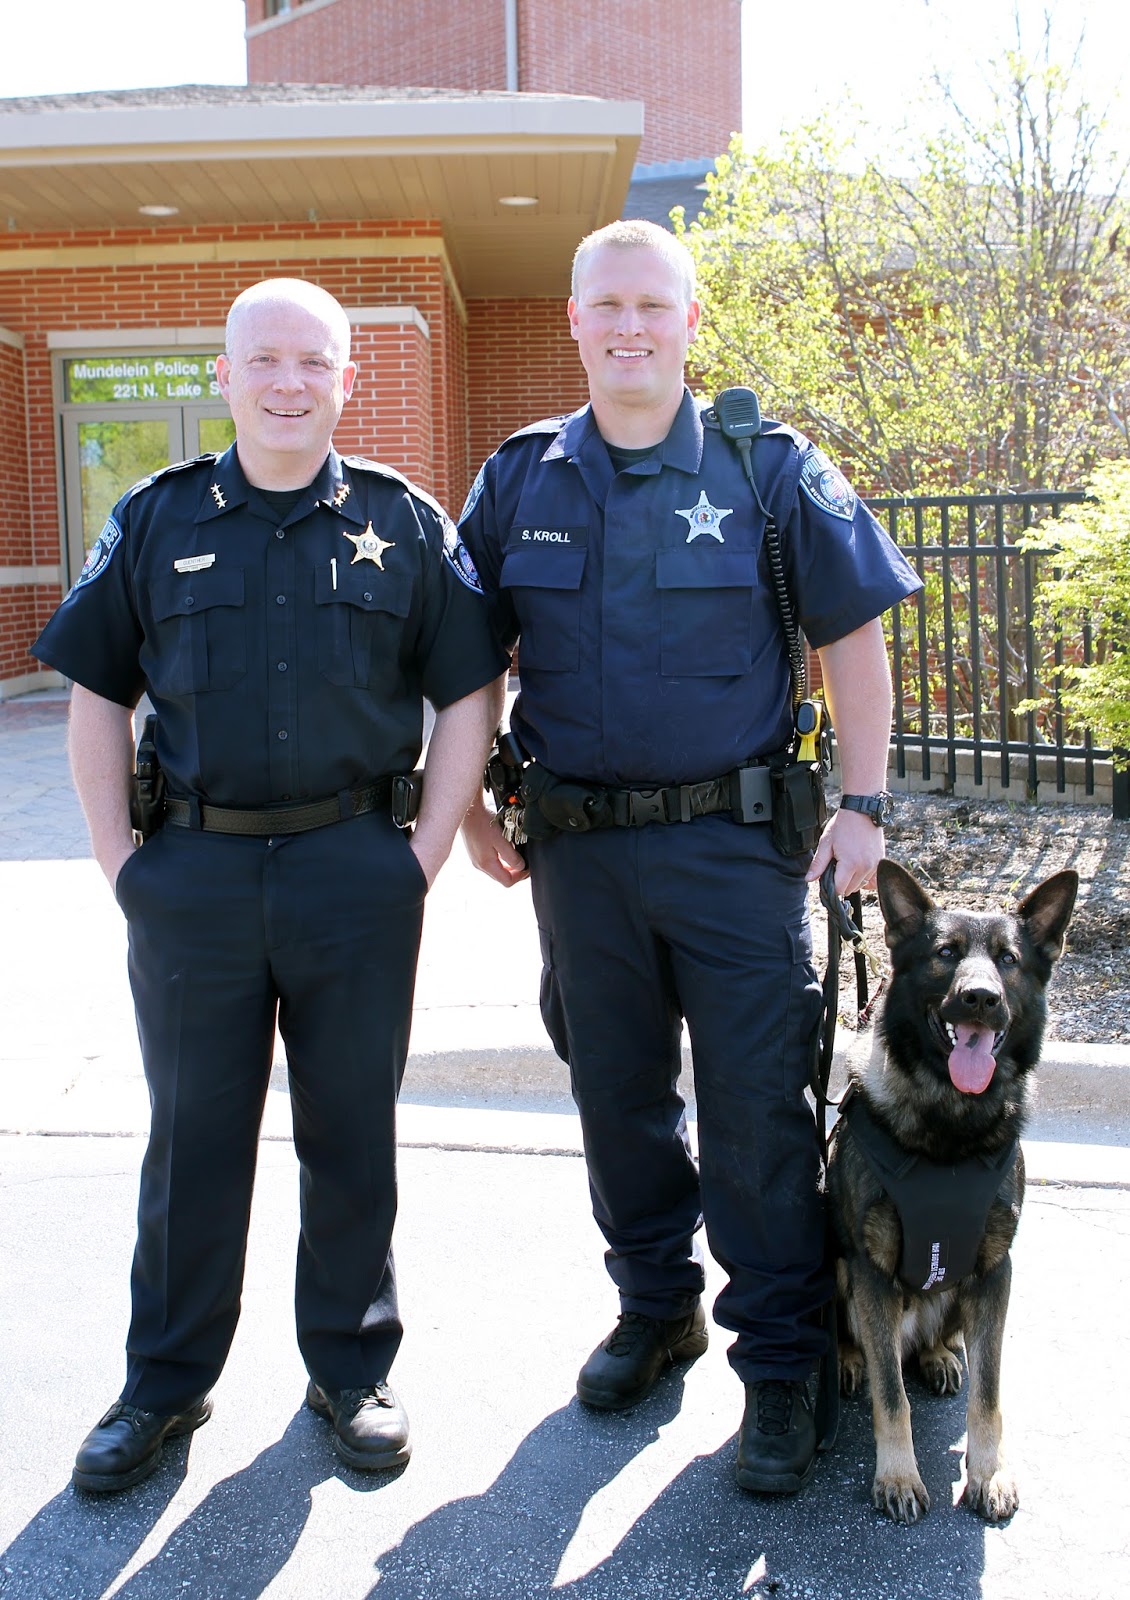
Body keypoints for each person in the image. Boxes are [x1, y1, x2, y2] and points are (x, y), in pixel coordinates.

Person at [458, 220, 922, 1495]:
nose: (628, 326)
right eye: (605, 304)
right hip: (579, 857)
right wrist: (469, 804)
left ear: (687, 321)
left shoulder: (765, 467)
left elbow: (853, 637)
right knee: (614, 1096)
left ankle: (778, 1363)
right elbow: (464, 658)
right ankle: (653, 1305)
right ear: (572, 319)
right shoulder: (520, 480)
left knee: (756, 1109)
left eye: (651, 305)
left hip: (733, 849)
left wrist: (863, 807)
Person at [32, 278, 508, 1493]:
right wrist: (120, 861)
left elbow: (468, 689)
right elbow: (96, 693)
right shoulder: (154, 517)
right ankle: (162, 1383)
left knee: (351, 1132)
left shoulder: (402, 523)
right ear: (227, 377)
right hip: (193, 875)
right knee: (192, 1139)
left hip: (354, 872)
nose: (288, 383)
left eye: (312, 362)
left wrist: (421, 854)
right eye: (264, 360)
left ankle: (351, 1370)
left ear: (345, 378)